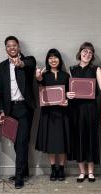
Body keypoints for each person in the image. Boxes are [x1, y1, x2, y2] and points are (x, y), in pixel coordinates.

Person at [0, 36, 36, 189]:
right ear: (6, 48)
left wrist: (20, 64)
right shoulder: (1, 66)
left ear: (19, 47)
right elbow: (0, 89)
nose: (12, 48)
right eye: (8, 46)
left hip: (24, 107)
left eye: (14, 45)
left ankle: (19, 176)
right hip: (9, 109)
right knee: (16, 142)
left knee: (21, 141)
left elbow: (29, 64)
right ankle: (24, 170)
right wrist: (1, 111)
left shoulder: (29, 61)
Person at [68, 42, 101, 183]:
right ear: (80, 53)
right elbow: (69, 90)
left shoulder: (96, 69)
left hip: (91, 108)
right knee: (78, 138)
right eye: (85, 51)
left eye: (90, 52)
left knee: (91, 138)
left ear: (92, 56)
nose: (87, 54)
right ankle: (81, 172)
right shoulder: (71, 69)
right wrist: (68, 95)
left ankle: (91, 172)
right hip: (76, 109)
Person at [35, 48, 71, 181]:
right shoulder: (43, 76)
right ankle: (53, 168)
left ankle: (61, 169)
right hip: (48, 114)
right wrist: (38, 77)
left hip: (63, 113)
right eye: (50, 58)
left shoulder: (65, 76)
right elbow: (39, 86)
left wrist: (67, 100)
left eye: (56, 57)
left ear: (59, 60)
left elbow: (69, 94)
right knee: (51, 144)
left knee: (61, 143)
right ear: (47, 60)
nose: (53, 60)